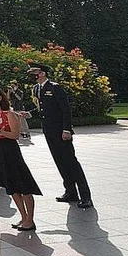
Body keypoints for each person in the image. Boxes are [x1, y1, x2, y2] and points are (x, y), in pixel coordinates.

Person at [29, 63, 93, 209]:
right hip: (49, 131)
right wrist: (30, 113)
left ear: (43, 73)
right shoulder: (38, 88)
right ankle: (70, 192)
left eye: (35, 72)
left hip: (60, 131)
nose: (33, 75)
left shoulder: (54, 87)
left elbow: (65, 109)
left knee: (71, 163)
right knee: (60, 162)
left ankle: (86, 196)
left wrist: (66, 129)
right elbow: (43, 106)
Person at [0, 86, 42, 231]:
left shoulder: (10, 114)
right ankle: (23, 216)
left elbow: (15, 135)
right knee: (12, 186)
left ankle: (30, 219)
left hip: (10, 151)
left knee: (23, 184)